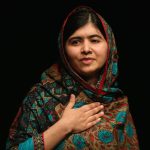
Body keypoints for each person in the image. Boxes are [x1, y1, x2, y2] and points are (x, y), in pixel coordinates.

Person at [6, 5, 139, 149]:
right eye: (75, 42)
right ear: (63, 49)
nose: (86, 49)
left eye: (94, 40)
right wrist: (64, 126)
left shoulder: (117, 102)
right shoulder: (40, 98)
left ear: (110, 46)